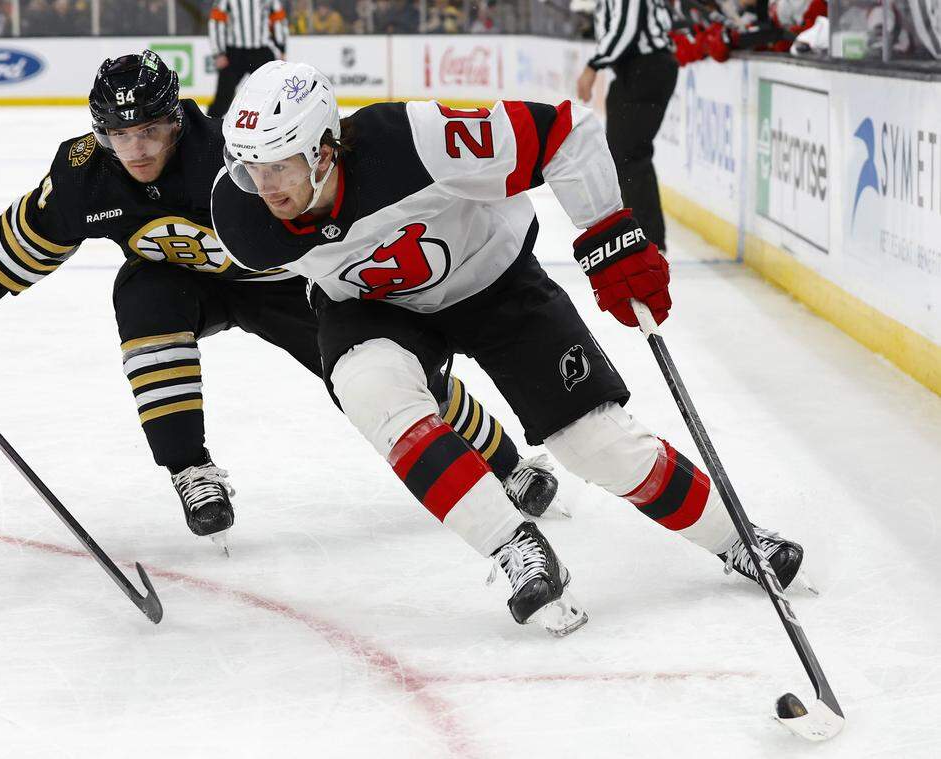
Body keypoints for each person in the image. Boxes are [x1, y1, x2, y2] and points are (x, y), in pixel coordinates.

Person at [211, 61, 808, 632]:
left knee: (595, 445)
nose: (264, 186)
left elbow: (565, 132)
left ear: (323, 148)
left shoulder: (418, 139)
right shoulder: (241, 211)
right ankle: (514, 546)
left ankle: (738, 538)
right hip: (373, 306)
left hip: (494, 281)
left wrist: (611, 235)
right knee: (366, 387)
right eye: (250, 168)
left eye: (279, 165)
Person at [0, 51, 561, 554]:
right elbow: (16, 244)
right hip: (180, 281)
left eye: (149, 131)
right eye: (118, 134)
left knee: (378, 373)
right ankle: (192, 470)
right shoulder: (82, 173)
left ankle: (502, 461)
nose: (134, 148)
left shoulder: (237, 159)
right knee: (141, 295)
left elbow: (335, 214)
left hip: (280, 286)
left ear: (175, 119)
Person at [576, 0, 678, 252]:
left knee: (628, 156)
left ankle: (648, 241)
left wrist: (593, 66)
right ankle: (644, 237)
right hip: (637, 70)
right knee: (625, 155)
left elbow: (627, 29)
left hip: (646, 68)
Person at [207, 0, 289, 119]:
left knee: (273, 96)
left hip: (261, 52)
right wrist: (218, 52)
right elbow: (216, 21)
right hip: (234, 53)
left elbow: (279, 18)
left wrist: (281, 47)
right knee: (223, 98)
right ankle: (209, 132)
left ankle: (278, 129)